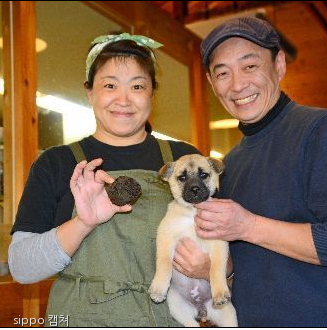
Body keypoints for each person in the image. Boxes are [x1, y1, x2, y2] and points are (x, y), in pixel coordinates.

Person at [8, 33, 201, 327]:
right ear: (90, 92)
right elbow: (21, 267)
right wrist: (83, 223)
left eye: (137, 86)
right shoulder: (56, 163)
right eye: (109, 85)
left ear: (152, 93)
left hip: (167, 318)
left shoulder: (185, 163)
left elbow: (218, 248)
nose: (123, 99)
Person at [193, 17, 327, 327]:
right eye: (223, 73)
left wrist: (249, 226)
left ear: (279, 64)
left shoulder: (323, 130)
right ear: (213, 85)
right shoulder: (227, 165)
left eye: (250, 66)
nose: (238, 84)